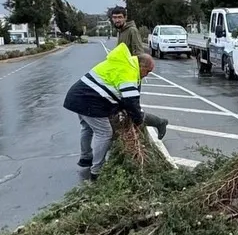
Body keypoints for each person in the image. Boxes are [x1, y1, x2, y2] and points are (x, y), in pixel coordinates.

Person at [63, 43, 167, 181]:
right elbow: (131, 103)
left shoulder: (122, 63)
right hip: (88, 101)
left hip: (77, 96)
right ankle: (96, 171)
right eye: (147, 72)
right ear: (141, 66)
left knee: (87, 128)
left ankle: (86, 157)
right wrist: (138, 120)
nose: (146, 75)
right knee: (104, 133)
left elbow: (118, 94)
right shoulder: (128, 72)